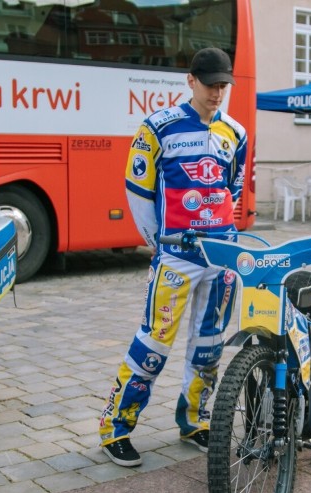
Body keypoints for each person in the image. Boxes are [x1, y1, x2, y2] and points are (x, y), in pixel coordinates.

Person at [98, 47, 247, 467]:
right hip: (176, 257)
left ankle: (195, 421)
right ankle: (116, 427)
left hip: (221, 258)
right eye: (210, 84)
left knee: (209, 346)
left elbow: (232, 190)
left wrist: (225, 236)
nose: (217, 93)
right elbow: (137, 189)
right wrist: (158, 241)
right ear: (190, 80)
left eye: (223, 85)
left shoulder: (235, 132)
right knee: (154, 344)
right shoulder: (157, 128)